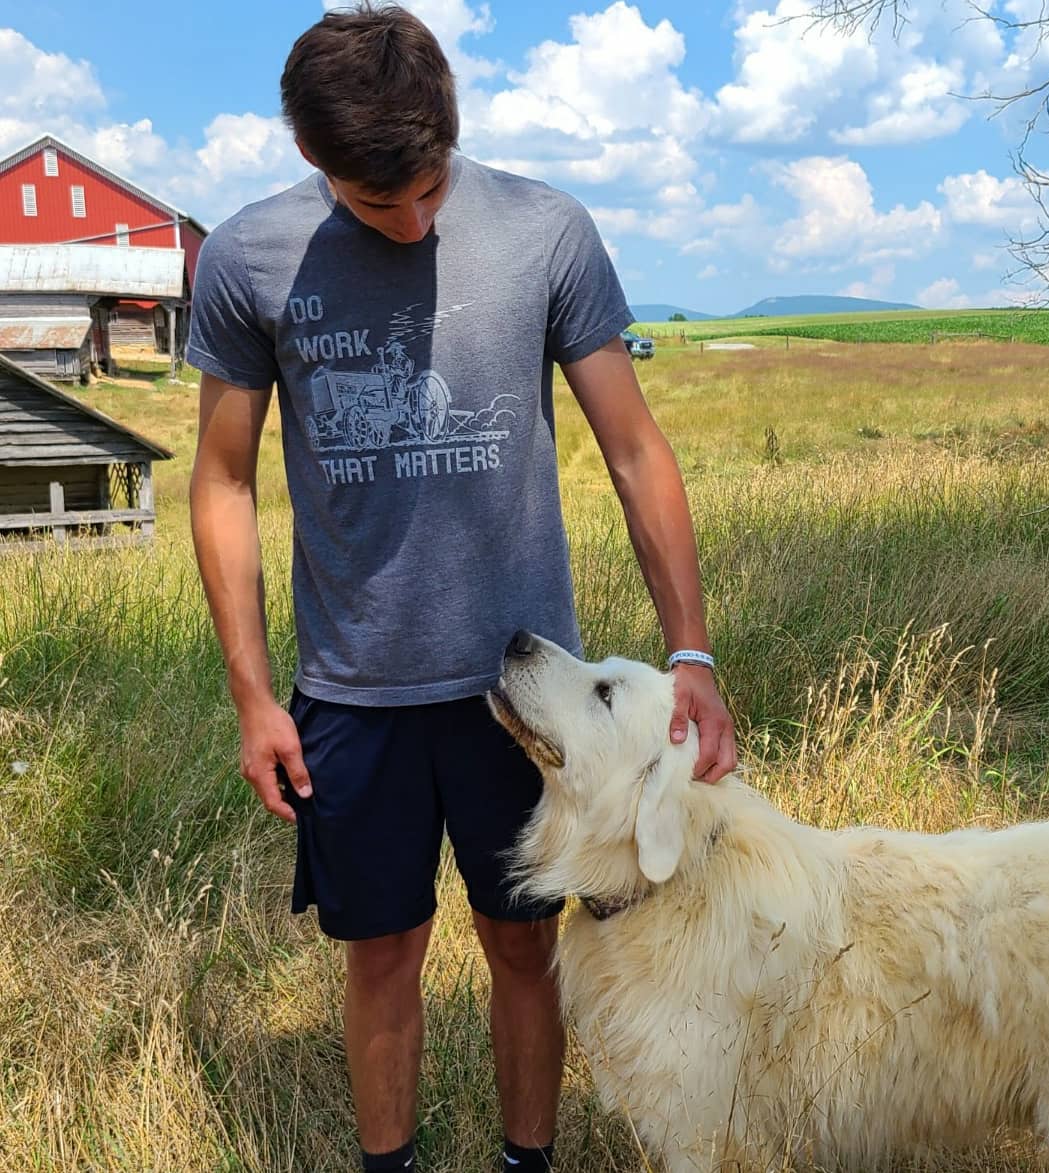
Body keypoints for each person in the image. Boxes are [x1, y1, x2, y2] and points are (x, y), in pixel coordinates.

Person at [187, 4, 737, 1171]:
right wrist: (252, 696)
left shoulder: (548, 231)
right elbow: (223, 482)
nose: (418, 219)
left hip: (526, 700)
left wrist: (689, 650)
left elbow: (635, 451)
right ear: (310, 157)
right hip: (351, 692)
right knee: (380, 953)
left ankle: (524, 1161)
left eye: (432, 187)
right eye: (384, 203)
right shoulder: (245, 258)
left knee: (524, 944)